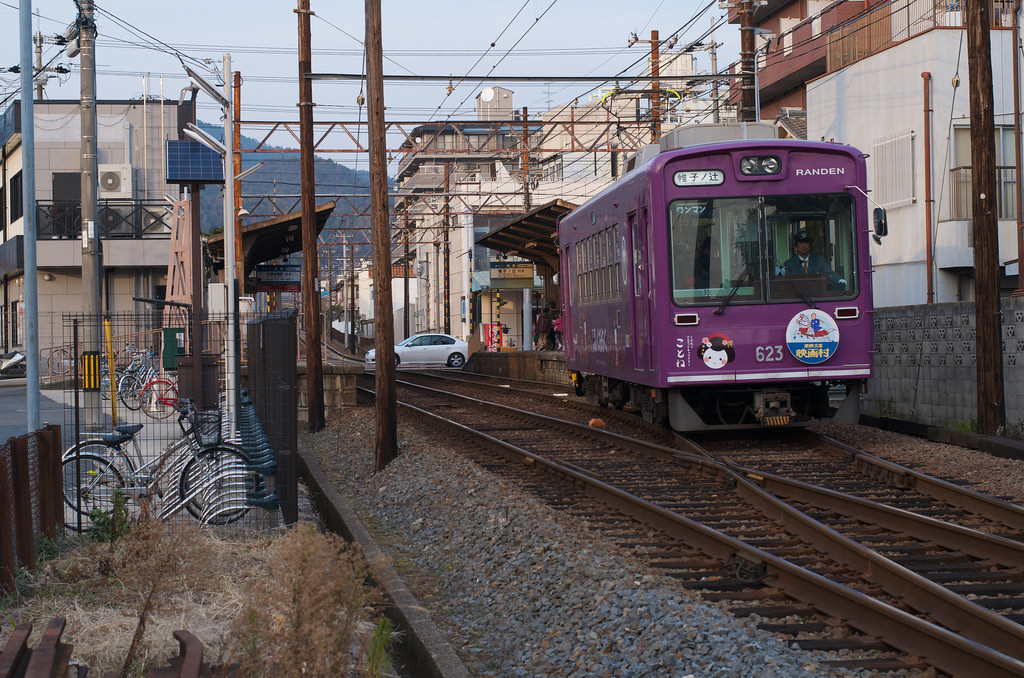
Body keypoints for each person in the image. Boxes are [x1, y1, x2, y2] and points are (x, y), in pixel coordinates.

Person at [781, 230, 846, 289]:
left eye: (806, 242)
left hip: (816, 295)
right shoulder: (789, 264)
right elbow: (785, 283)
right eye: (801, 242)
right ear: (796, 247)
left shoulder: (819, 260)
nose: (804, 245)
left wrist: (839, 280)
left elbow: (828, 274)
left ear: (810, 246)